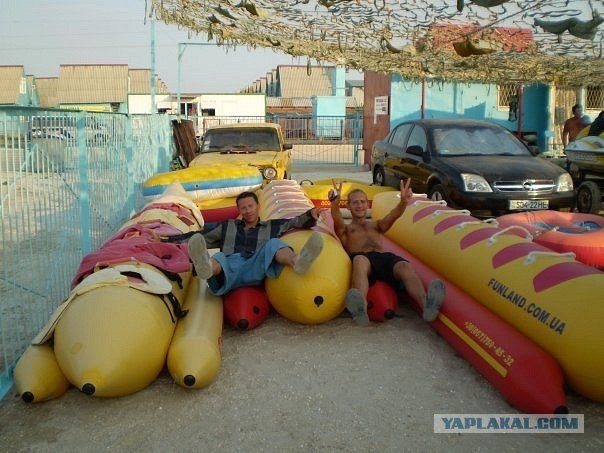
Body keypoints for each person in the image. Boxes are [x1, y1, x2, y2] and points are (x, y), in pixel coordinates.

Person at [329, 178, 445, 326]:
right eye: (355, 202)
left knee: (404, 265)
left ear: (367, 204)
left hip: (383, 259)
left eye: (363, 202)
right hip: (364, 261)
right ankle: (360, 309)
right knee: (359, 261)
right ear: (349, 206)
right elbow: (337, 219)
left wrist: (403, 202)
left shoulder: (376, 225)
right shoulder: (346, 230)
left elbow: (393, 216)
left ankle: (426, 306)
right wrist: (335, 203)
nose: (359, 205)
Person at [186, 190, 325, 296]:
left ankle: (297, 261)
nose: (248, 211)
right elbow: (202, 238)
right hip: (228, 269)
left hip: (256, 266)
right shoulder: (228, 226)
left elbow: (295, 221)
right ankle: (206, 268)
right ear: (239, 210)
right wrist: (169, 240)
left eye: (251, 206)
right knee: (220, 257)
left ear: (258, 206)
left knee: (273, 243)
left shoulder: (272, 226)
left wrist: (311, 215)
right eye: (244, 208)